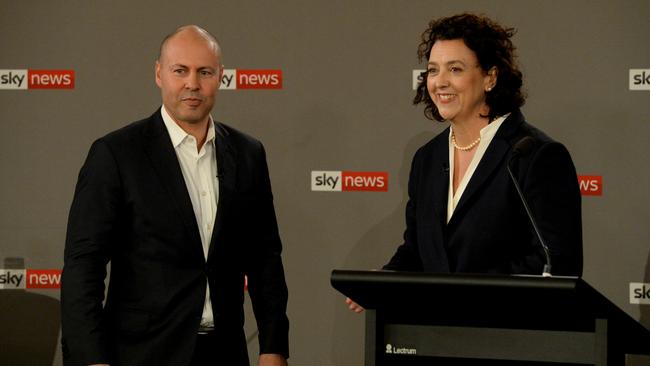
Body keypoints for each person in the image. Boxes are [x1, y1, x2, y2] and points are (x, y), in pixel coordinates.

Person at [61, 25, 289, 366]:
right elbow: (83, 267)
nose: (192, 83)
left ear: (220, 77)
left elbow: (265, 258)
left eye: (205, 72)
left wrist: (273, 347)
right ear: (159, 74)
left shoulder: (248, 154)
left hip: (225, 353)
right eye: (180, 70)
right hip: (141, 354)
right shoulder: (116, 154)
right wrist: (92, 358)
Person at [347, 13, 582, 313]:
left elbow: (557, 263)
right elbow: (418, 250)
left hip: (508, 335)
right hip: (434, 334)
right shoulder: (427, 159)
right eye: (433, 70)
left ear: (490, 77)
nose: (439, 82)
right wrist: (384, 280)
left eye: (455, 69)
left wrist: (464, 292)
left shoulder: (534, 155)